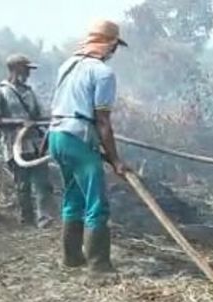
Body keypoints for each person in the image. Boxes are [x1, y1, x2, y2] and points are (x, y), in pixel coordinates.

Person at [48, 20, 129, 273]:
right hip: (78, 138)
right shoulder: (103, 73)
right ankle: (99, 265)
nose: (114, 53)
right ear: (110, 45)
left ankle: (71, 258)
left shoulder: (67, 65)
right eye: (115, 47)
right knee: (96, 203)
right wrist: (116, 160)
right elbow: (102, 121)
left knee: (73, 195)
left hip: (57, 136)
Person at [0, 54, 54, 228]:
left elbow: (38, 116)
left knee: (43, 184)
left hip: (37, 146)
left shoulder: (29, 92)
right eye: (26, 69)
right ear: (15, 69)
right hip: (15, 146)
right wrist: (19, 123)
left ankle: (44, 220)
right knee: (23, 186)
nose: (29, 73)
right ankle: (27, 221)